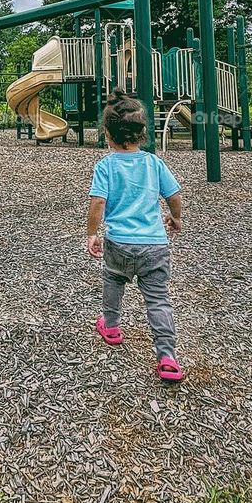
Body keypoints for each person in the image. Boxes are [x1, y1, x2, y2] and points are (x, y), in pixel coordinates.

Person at [85, 90, 184, 383]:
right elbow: (174, 195)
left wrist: (92, 233)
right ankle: (167, 356)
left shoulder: (105, 166)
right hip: (154, 244)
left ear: (107, 134)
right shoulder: (153, 163)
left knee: (114, 280)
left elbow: (97, 203)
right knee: (158, 300)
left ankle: (112, 326)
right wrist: (175, 217)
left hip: (119, 242)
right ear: (141, 133)